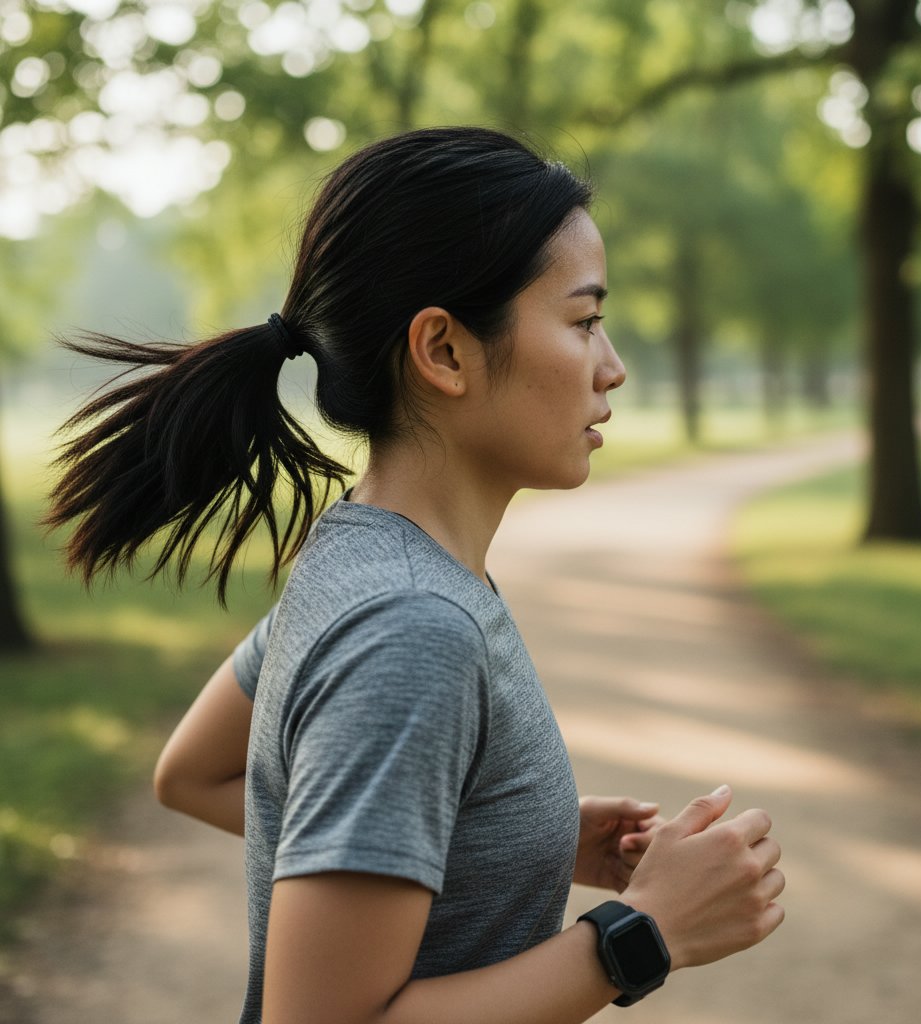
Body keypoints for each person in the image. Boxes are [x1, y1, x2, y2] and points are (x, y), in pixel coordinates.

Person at [47, 127, 784, 1024]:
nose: (613, 365)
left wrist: (502, 845)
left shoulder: (356, 555)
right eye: (584, 321)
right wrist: (644, 933)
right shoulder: (412, 627)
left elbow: (194, 774)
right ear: (442, 351)